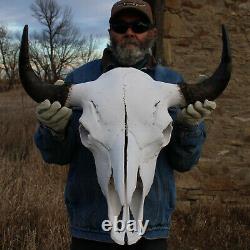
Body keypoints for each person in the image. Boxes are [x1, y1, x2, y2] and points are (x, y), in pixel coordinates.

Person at [34, 1, 216, 249]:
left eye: (139, 26)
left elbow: (185, 162)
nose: (129, 32)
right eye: (121, 26)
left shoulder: (172, 81)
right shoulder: (78, 80)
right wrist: (54, 131)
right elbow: (56, 156)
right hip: (90, 231)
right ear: (110, 32)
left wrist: (187, 128)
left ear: (152, 32)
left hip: (152, 231)